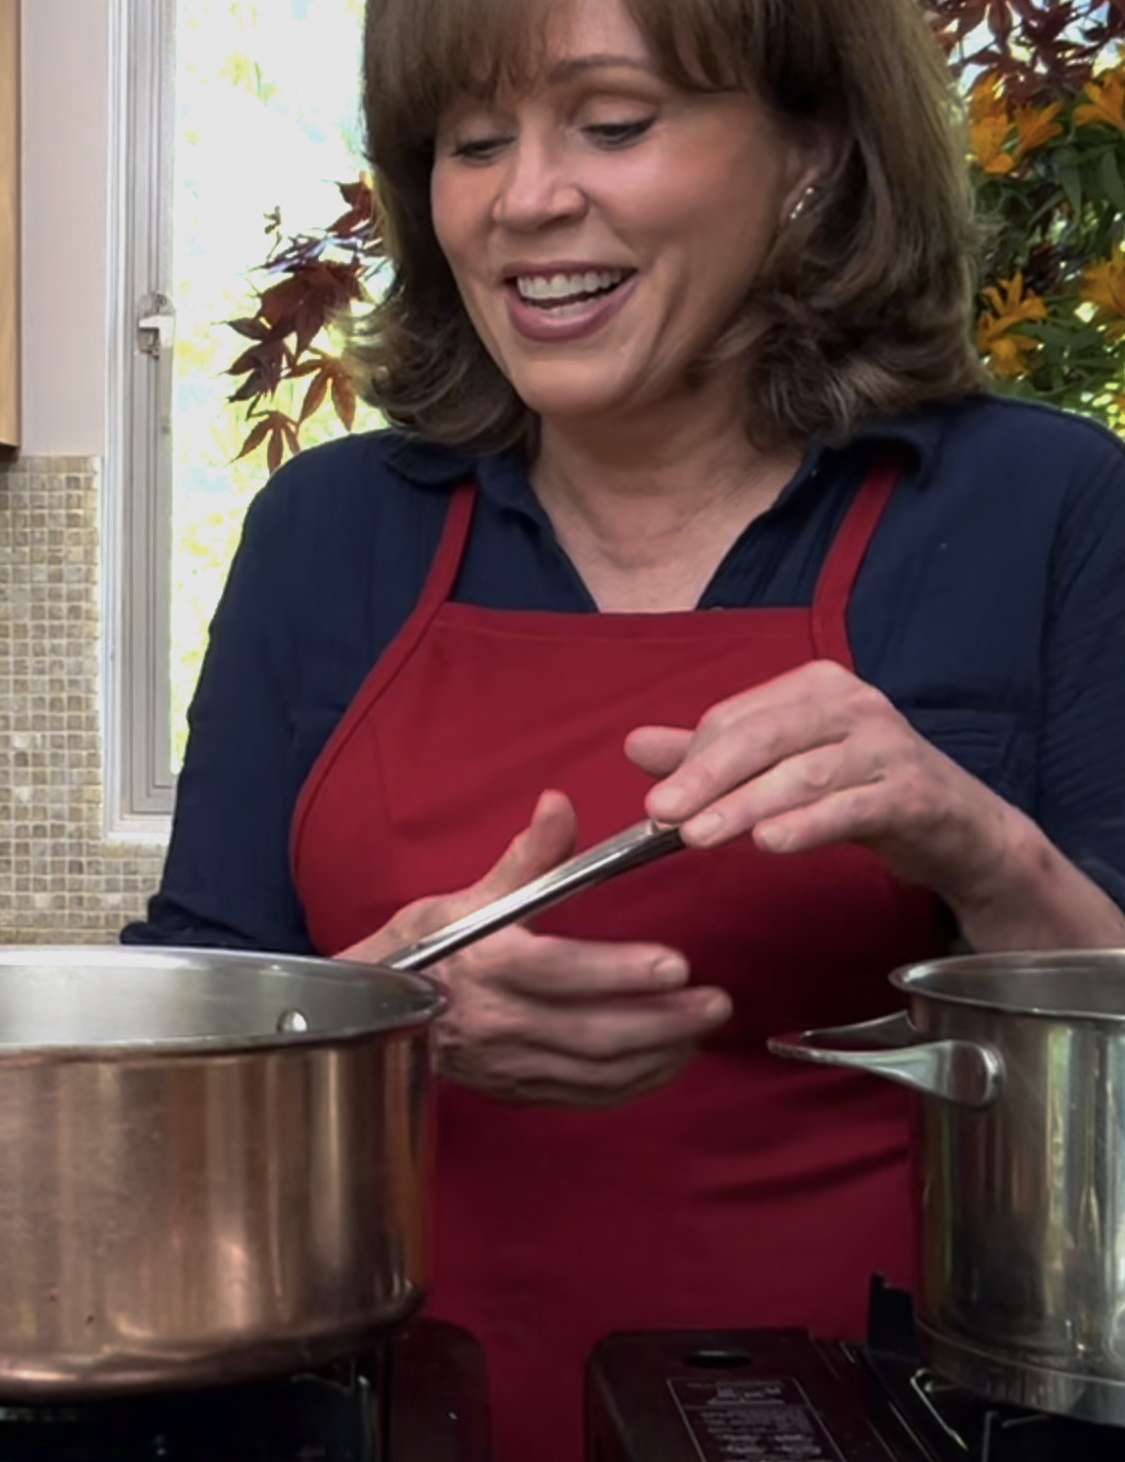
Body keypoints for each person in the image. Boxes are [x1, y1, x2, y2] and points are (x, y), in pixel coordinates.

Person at [124, 0, 1125, 1456]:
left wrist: (974, 842)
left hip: (911, 1423)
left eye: (611, 122)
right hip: (368, 1416)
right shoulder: (324, 533)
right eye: (470, 142)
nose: (524, 199)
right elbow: (160, 1065)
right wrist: (373, 1012)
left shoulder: (1039, 505)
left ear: (813, 154)